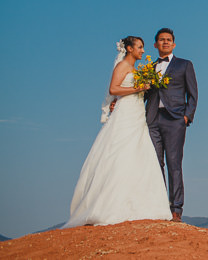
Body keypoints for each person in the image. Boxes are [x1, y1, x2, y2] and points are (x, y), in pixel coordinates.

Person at [63, 36, 172, 228]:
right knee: (120, 153)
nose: (142, 51)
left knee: (138, 155)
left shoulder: (137, 70)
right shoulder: (122, 66)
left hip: (137, 113)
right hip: (126, 113)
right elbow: (114, 88)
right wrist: (137, 87)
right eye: (139, 47)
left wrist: (142, 88)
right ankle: (111, 205)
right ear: (129, 49)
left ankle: (140, 204)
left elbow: (132, 90)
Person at [144, 28, 198, 222]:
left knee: (174, 164)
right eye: (161, 40)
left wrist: (186, 117)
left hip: (175, 119)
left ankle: (176, 209)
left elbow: (193, 94)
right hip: (152, 120)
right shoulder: (148, 69)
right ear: (155, 45)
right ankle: (159, 208)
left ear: (173, 44)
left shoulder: (184, 65)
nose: (165, 42)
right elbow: (142, 93)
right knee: (155, 164)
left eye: (168, 40)